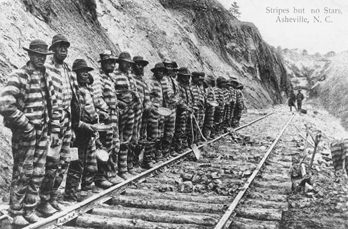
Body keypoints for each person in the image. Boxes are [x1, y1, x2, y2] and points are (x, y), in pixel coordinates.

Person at [0, 39, 60, 225]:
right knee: (23, 172)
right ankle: (16, 211)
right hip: (25, 133)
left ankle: (30, 209)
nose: (40, 59)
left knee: (38, 172)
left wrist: (54, 128)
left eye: (43, 56)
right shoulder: (18, 75)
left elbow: (54, 105)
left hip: (42, 132)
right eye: (37, 55)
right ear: (30, 55)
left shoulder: (46, 77)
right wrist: (25, 125)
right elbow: (5, 104)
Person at [39, 34, 79, 215]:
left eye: (65, 47)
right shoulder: (46, 69)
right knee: (51, 161)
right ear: (52, 49)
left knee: (65, 161)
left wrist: (73, 125)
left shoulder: (68, 70)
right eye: (60, 47)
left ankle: (53, 197)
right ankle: (43, 199)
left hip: (66, 122)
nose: (63, 50)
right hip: (52, 124)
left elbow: (75, 99)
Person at [63, 59, 100, 202]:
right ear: (76, 74)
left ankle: (82, 190)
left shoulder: (87, 89)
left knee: (87, 162)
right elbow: (74, 117)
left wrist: (94, 125)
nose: (85, 74)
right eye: (82, 72)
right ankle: (70, 195)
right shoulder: (75, 92)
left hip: (87, 132)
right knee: (75, 163)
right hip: (77, 133)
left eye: (86, 72)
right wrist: (87, 126)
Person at [92, 50, 122, 188]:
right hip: (106, 118)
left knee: (114, 145)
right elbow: (97, 98)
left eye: (113, 62)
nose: (113, 65)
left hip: (113, 118)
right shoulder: (99, 78)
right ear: (103, 64)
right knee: (105, 146)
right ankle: (101, 177)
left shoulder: (109, 78)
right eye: (109, 62)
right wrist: (107, 111)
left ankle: (110, 173)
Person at [113, 51, 138, 179]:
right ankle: (117, 170)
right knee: (118, 141)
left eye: (129, 63)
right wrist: (120, 104)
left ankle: (125, 168)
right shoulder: (114, 75)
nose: (128, 65)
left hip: (131, 112)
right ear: (120, 63)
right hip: (121, 112)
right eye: (125, 63)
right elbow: (113, 95)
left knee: (127, 140)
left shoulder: (130, 76)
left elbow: (134, 93)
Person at [146, 63, 169, 167]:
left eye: (163, 71)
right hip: (153, 113)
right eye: (159, 71)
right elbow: (147, 98)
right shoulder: (150, 82)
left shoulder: (161, 83)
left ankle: (156, 156)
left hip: (161, 112)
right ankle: (147, 159)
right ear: (155, 72)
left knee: (160, 135)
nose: (161, 73)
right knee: (152, 136)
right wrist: (152, 108)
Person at [131, 56, 152, 172]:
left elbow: (147, 97)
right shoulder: (132, 79)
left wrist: (148, 104)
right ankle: (131, 163)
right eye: (138, 64)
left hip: (143, 115)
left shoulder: (143, 82)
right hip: (133, 114)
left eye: (142, 65)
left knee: (141, 138)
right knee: (133, 138)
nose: (140, 67)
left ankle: (135, 161)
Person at [173, 67, 195, 152]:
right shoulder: (178, 86)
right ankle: (177, 147)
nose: (187, 78)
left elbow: (191, 98)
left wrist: (191, 107)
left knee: (185, 129)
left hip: (187, 112)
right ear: (181, 76)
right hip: (180, 112)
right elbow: (178, 99)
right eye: (185, 76)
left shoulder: (187, 87)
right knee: (179, 130)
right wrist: (186, 107)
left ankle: (184, 145)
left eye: (188, 77)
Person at [162, 59, 179, 158]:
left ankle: (166, 152)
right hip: (164, 110)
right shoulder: (162, 79)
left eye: (170, 66)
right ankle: (159, 155)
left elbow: (176, 94)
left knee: (170, 132)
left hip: (172, 109)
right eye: (167, 66)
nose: (169, 68)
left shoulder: (172, 80)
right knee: (161, 133)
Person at [191, 71, 206, 142]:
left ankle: (198, 140)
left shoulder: (198, 87)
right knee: (193, 126)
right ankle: (192, 141)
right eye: (197, 78)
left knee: (199, 125)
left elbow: (201, 97)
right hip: (193, 109)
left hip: (200, 110)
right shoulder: (191, 86)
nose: (198, 79)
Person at [202, 75, 216, 139]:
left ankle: (207, 135)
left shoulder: (210, 88)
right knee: (206, 121)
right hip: (207, 107)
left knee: (210, 121)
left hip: (211, 107)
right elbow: (205, 98)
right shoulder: (206, 89)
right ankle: (205, 135)